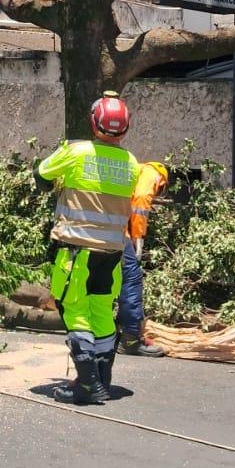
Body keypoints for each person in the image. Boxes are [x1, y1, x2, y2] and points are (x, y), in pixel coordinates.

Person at [37, 92, 139, 404]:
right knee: (101, 312)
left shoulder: (76, 152)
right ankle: (103, 379)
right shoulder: (131, 163)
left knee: (74, 309)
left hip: (76, 251)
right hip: (112, 254)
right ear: (124, 128)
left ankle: (85, 385)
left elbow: (41, 175)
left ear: (94, 123)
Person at [118, 161, 169, 356]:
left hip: (94, 229)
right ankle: (131, 338)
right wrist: (138, 238)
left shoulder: (130, 168)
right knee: (131, 279)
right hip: (117, 232)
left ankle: (102, 333)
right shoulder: (153, 173)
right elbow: (140, 200)